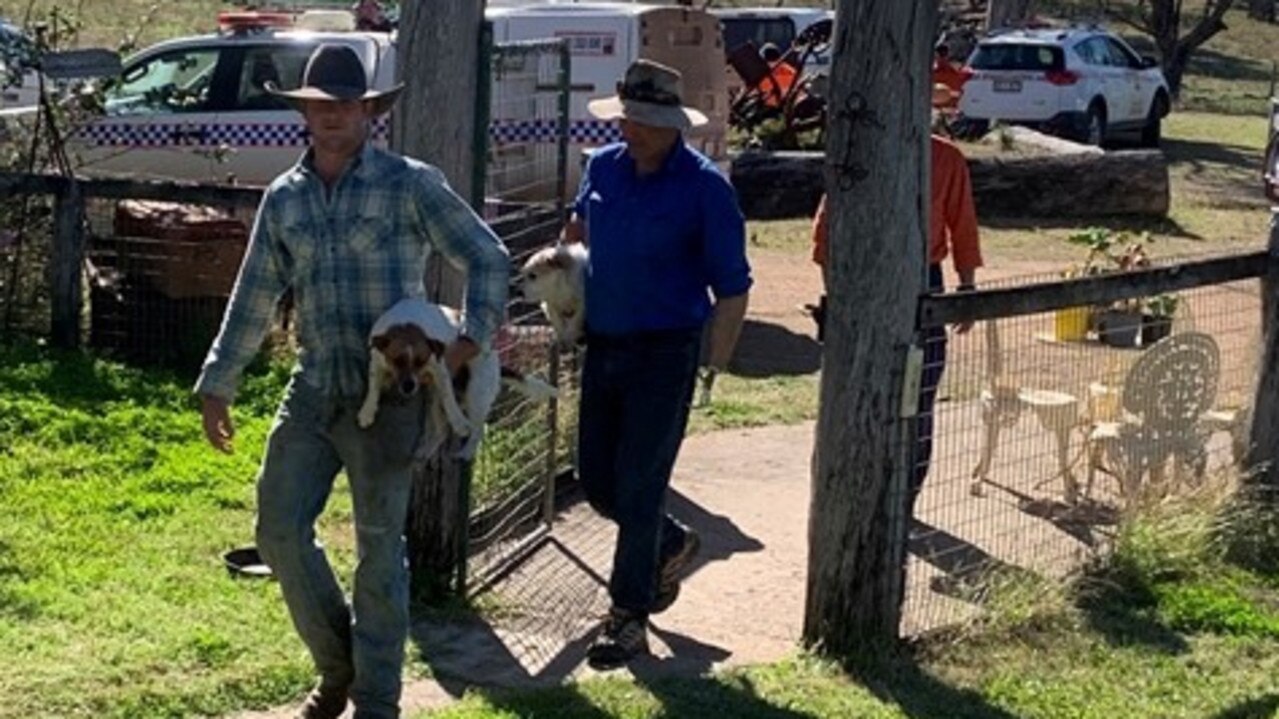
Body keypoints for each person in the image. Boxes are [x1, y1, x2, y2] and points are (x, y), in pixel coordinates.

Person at [195, 44, 510, 719]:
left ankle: (376, 701)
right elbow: (254, 292)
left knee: (377, 550)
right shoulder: (285, 198)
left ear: (369, 111)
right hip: (312, 389)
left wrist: (470, 339)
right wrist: (218, 379)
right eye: (318, 106)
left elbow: (485, 254)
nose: (331, 115)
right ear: (304, 114)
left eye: (344, 104)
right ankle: (338, 669)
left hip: (388, 400)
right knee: (277, 530)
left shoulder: (409, 183)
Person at [563, 58, 751, 670]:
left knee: (641, 486)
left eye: (644, 120)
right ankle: (669, 542)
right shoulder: (601, 168)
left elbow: (732, 287)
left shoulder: (704, 187)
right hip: (605, 344)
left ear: (674, 124)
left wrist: (713, 362)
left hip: (667, 352)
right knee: (596, 478)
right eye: (627, 117)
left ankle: (627, 617)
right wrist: (564, 294)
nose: (631, 129)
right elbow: (578, 230)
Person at [809, 120, 982, 511]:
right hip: (866, 276)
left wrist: (967, 289)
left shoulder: (947, 158)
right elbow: (825, 236)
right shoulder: (861, 152)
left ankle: (905, 500)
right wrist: (839, 298)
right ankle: (857, 495)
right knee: (864, 390)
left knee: (918, 394)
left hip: (925, 279)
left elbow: (963, 225)